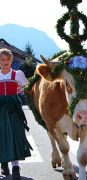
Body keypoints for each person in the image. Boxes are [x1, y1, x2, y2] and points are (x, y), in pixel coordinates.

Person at [0, 48, 32, 180]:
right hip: (0, 109)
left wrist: (22, 90)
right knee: (1, 136)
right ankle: (4, 164)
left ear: (12, 60)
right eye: (3, 59)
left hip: (14, 109)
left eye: (8, 59)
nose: (6, 62)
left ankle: (15, 167)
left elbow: (27, 87)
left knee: (15, 135)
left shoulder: (18, 74)